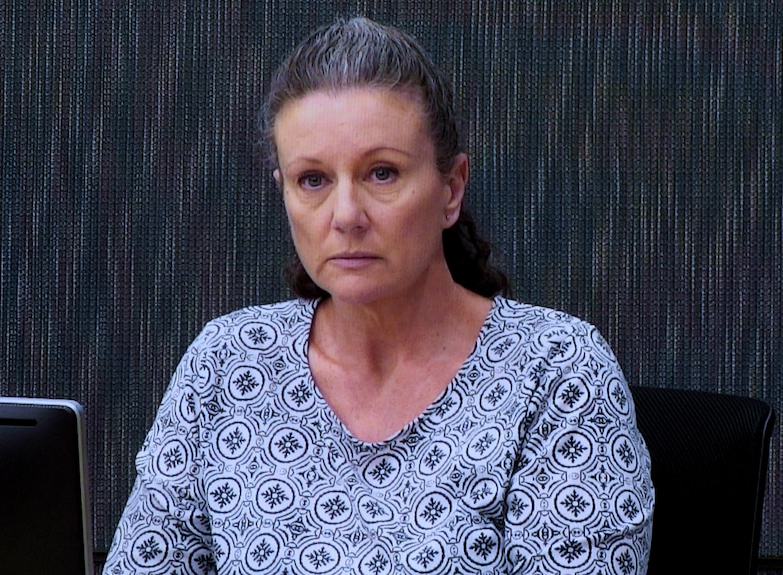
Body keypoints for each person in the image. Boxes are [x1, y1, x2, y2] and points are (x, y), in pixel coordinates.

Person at [103, 17, 654, 575]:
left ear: (450, 189)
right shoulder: (228, 361)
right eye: (313, 180)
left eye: (382, 173)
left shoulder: (556, 369)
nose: (345, 216)